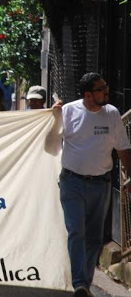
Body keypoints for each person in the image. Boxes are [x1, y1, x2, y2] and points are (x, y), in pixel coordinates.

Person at [52, 72, 131, 296]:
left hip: (101, 185)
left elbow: (123, 148)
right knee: (76, 231)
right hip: (72, 183)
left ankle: (83, 285)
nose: (107, 91)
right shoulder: (68, 111)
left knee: (95, 237)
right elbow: (50, 142)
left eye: (106, 87)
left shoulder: (112, 114)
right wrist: (53, 117)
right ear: (88, 95)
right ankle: (79, 282)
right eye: (101, 89)